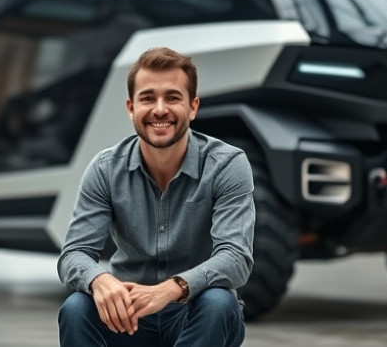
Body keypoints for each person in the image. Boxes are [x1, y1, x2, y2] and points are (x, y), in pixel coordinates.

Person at [57, 46, 255, 347]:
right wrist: (101, 280)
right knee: (76, 308)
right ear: (131, 108)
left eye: (172, 97)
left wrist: (171, 289)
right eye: (148, 98)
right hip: (128, 318)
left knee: (218, 302)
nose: (159, 109)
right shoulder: (105, 169)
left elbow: (236, 258)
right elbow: (74, 254)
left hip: (194, 315)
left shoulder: (227, 165)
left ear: (193, 107)